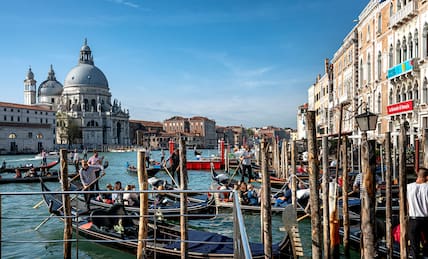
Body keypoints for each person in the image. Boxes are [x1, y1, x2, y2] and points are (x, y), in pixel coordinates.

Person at [407, 167, 428, 258]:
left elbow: (405, 202)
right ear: (426, 177)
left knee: (414, 246)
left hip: (413, 220)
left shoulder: (408, 187)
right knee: (427, 246)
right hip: (426, 220)